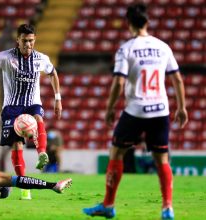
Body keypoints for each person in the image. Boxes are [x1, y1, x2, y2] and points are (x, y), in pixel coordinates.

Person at [82, 3, 188, 220]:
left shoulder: (126, 49)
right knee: (162, 160)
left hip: (136, 110)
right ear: (147, 22)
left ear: (128, 24)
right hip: (160, 109)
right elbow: (176, 78)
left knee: (116, 153)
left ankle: (108, 205)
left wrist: (110, 107)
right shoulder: (163, 46)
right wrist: (182, 107)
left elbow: (119, 83)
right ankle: (167, 208)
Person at [0, 24, 62, 200]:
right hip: (12, 107)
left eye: (31, 41)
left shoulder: (40, 58)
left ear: (34, 40)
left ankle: (41, 152)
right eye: (24, 41)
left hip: (32, 103)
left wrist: (58, 98)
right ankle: (24, 187)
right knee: (16, 145)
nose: (28, 44)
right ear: (18, 40)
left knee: (38, 117)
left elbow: (52, 73)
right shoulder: (7, 57)